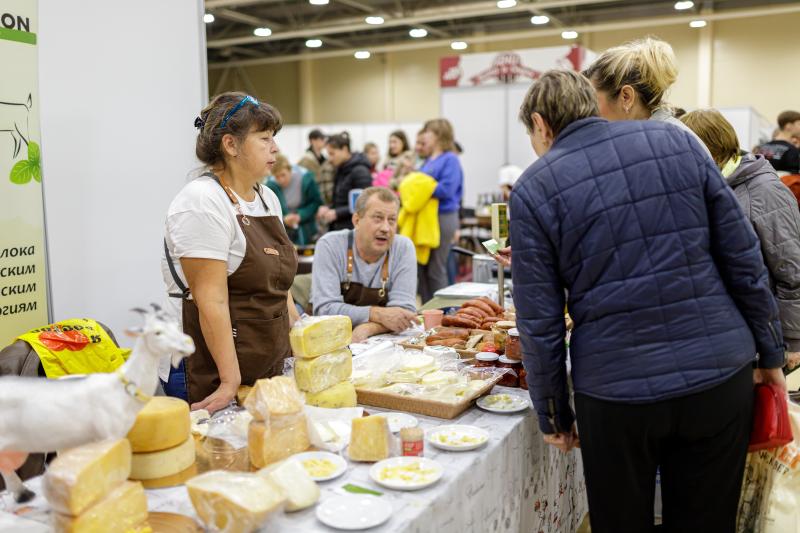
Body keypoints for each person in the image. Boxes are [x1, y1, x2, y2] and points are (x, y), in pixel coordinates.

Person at [511, 70, 785, 532]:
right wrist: (770, 351)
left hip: (616, 394)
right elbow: (741, 256)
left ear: (540, 124)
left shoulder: (535, 187)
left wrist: (554, 412)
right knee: (708, 520)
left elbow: (539, 322)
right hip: (718, 373)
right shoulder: (674, 141)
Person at [161, 92, 300, 413]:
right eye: (264, 138)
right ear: (231, 145)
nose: (275, 148)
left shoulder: (267, 198)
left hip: (262, 358)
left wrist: (298, 331)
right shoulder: (200, 202)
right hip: (209, 368)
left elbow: (280, 285)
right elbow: (211, 301)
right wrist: (229, 381)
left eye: (274, 138)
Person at [681, 108, 800, 371]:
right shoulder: (709, 186)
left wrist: (792, 341)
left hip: (763, 337)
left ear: (708, 150)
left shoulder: (766, 191)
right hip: (725, 334)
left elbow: (791, 269)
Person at [311, 187, 418, 343]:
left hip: (378, 343)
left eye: (392, 220)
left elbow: (403, 314)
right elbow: (324, 310)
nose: (385, 228)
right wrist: (377, 314)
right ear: (356, 221)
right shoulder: (329, 245)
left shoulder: (403, 248)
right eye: (378, 218)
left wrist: (366, 329)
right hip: (329, 339)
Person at [582, 36, 710, 154]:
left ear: (626, 97)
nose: (590, 112)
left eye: (594, 100)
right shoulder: (665, 138)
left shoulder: (670, 145)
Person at [416, 119, 464, 302]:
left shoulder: (450, 159)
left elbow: (447, 190)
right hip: (425, 218)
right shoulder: (428, 160)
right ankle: (428, 312)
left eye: (428, 131)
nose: (424, 135)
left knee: (436, 268)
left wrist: (419, 187)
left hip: (443, 216)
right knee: (423, 268)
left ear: (438, 134)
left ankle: (443, 312)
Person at [317, 132, 373, 232]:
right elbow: (341, 200)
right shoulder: (341, 169)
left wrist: (337, 213)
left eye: (332, 153)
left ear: (345, 149)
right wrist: (329, 208)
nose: (330, 159)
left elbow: (364, 204)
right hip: (341, 228)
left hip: (353, 229)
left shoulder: (360, 172)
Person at [265, 154, 323, 245]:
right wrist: (284, 219)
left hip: (307, 230)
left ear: (290, 169)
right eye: (277, 177)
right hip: (284, 234)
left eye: (283, 175)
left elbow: (316, 202)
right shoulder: (270, 185)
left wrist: (301, 215)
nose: (281, 180)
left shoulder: (306, 178)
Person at [298, 129, 335, 205]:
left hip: (325, 198)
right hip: (311, 199)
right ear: (313, 141)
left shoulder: (324, 159)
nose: (324, 141)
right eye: (321, 139)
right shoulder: (305, 160)